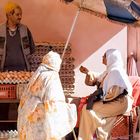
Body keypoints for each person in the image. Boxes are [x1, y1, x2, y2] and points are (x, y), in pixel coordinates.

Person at [17, 51, 77, 140]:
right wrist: (70, 108)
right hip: (41, 121)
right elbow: (53, 103)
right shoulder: (52, 77)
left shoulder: (38, 74)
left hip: (30, 116)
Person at [78, 49, 134, 140]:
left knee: (87, 109)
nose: (102, 57)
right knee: (89, 108)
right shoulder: (110, 71)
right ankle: (98, 136)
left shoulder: (116, 72)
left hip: (119, 103)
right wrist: (88, 72)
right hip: (113, 101)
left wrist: (102, 98)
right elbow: (99, 77)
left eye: (104, 56)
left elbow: (115, 93)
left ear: (110, 58)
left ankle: (87, 137)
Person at [0, 1, 35, 71]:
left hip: (24, 71)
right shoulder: (0, 30)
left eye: (21, 14)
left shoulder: (25, 29)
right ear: (9, 15)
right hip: (4, 72)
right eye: (17, 14)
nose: (20, 17)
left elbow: (32, 49)